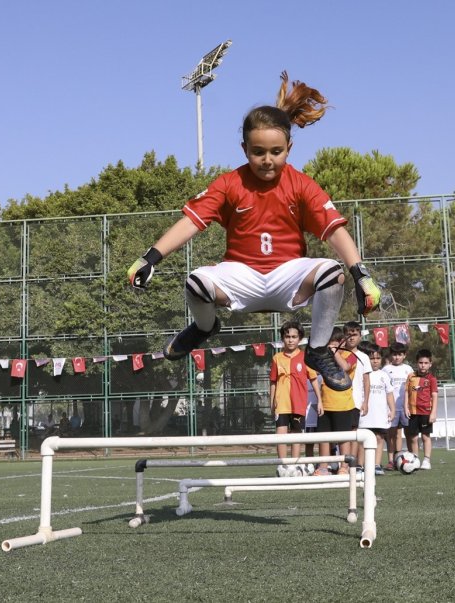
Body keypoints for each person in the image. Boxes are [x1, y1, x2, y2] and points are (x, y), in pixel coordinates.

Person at [127, 72, 381, 392]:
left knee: (333, 273)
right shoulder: (229, 183)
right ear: (244, 148)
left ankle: (317, 351)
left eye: (276, 151)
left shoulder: (301, 184)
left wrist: (361, 274)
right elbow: (191, 222)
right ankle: (204, 327)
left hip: (288, 276)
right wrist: (149, 258)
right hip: (241, 276)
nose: (267, 160)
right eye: (258, 152)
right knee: (195, 281)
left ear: (289, 147)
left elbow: (334, 231)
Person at [270, 321, 320, 465]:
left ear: (300, 339)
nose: (290, 340)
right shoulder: (276, 358)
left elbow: (314, 379)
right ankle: (282, 465)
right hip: (281, 404)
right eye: (287, 337)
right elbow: (273, 381)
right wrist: (271, 402)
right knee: (281, 435)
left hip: (298, 403)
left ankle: (294, 465)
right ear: (282, 338)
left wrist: (320, 400)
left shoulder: (306, 357)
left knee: (296, 435)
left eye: (294, 337)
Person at [314, 328, 357, 476]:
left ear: (341, 343)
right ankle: (323, 466)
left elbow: (345, 367)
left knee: (343, 437)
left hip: (343, 404)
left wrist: (335, 352)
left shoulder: (350, 355)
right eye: (329, 345)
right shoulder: (324, 358)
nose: (331, 348)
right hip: (325, 403)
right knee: (323, 436)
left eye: (335, 344)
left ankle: (344, 466)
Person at [358, 342, 395, 474]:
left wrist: (393, 410)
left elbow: (389, 394)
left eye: (378, 358)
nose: (375, 361)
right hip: (365, 415)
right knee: (363, 440)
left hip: (380, 415)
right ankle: (359, 466)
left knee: (379, 438)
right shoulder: (362, 374)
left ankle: (376, 465)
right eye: (372, 358)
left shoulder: (384, 375)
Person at [342, 321, 372, 473]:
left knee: (353, 432)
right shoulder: (339, 354)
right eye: (348, 334)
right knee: (341, 433)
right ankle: (341, 464)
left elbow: (366, 380)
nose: (351, 337)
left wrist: (365, 401)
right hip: (339, 400)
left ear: (360, 336)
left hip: (355, 401)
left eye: (355, 334)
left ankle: (351, 464)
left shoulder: (364, 357)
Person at [404, 349, 439, 470]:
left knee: (425, 436)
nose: (423, 365)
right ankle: (415, 459)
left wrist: (433, 412)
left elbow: (434, 395)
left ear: (430, 364)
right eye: (420, 362)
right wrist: (405, 407)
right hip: (413, 411)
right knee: (413, 437)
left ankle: (427, 460)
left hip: (426, 412)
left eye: (425, 363)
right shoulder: (411, 376)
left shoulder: (431, 379)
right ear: (416, 363)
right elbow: (406, 392)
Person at [382, 341, 413, 470]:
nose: (397, 357)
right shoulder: (386, 370)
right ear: (391, 355)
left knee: (405, 434)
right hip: (391, 408)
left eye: (400, 355)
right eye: (394, 355)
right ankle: (391, 460)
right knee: (391, 434)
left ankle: (404, 458)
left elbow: (411, 389)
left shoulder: (408, 369)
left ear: (404, 355)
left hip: (405, 408)